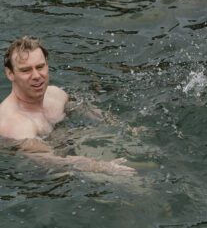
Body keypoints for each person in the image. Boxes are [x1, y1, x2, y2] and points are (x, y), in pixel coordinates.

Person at [0, 37, 135, 175]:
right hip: (47, 176)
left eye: (40, 67)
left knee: (135, 149)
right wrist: (101, 167)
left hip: (69, 144)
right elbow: (48, 160)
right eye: (26, 70)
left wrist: (125, 127)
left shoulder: (55, 95)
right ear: (10, 73)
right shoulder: (16, 124)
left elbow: (84, 108)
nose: (36, 75)